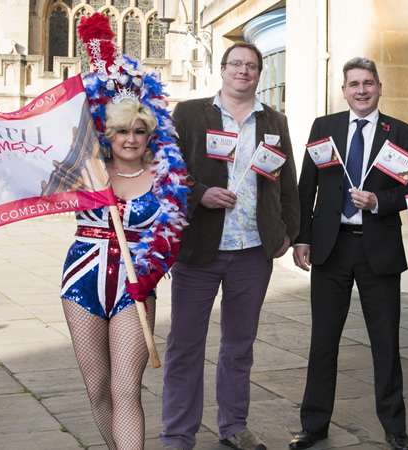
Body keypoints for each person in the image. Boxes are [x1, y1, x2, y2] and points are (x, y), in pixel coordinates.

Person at [159, 42, 300, 450]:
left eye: (251, 66)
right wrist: (199, 193)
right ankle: (178, 435)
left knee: (239, 345)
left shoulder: (274, 121)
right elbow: (166, 169)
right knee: (184, 346)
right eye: (236, 64)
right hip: (199, 248)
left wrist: (288, 232)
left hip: (253, 250)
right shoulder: (188, 113)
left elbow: (286, 181)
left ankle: (233, 425)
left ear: (260, 73)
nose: (243, 71)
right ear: (222, 69)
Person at [61, 13, 190, 450]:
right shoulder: (86, 171)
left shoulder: (166, 178)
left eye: (138, 130)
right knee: (97, 388)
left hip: (135, 288)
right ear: (107, 132)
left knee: (125, 389)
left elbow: (170, 240)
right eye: (121, 131)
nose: (130, 139)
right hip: (81, 281)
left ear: (149, 133)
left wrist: (149, 280)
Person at [289, 57, 408, 450]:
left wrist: (379, 200)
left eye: (368, 83)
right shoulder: (323, 128)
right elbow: (305, 186)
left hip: (377, 248)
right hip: (331, 248)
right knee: (323, 341)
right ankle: (314, 425)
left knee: (386, 342)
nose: (361, 90)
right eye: (354, 84)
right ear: (343, 90)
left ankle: (395, 427)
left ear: (379, 88)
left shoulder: (400, 132)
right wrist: (302, 238)